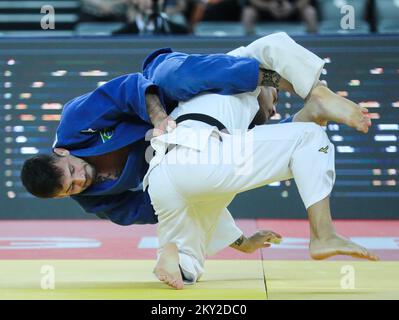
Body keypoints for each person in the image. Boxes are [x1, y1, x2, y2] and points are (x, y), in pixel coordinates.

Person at [20, 33, 375, 288]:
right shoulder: (96, 199)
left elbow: (131, 87)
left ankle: (183, 261)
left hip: (163, 98)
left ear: (62, 153)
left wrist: (159, 119)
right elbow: (166, 208)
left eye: (72, 172)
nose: (79, 180)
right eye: (71, 189)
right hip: (179, 157)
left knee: (178, 78)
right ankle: (316, 104)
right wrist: (240, 241)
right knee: (293, 125)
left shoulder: (75, 122)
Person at [144, 35, 378, 289]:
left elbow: (206, 200)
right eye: (275, 97)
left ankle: (174, 257)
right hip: (200, 153)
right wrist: (315, 89)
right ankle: (323, 235)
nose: (275, 109)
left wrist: (244, 243)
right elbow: (274, 44)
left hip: (162, 175)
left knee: (191, 258)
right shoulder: (237, 70)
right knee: (311, 137)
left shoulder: (211, 106)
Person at [241, 0, 318, 34]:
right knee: (248, 12)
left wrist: (293, 7)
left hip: (293, 10)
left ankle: (312, 42)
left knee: (310, 12)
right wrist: (268, 6)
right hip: (265, 10)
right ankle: (249, 45)